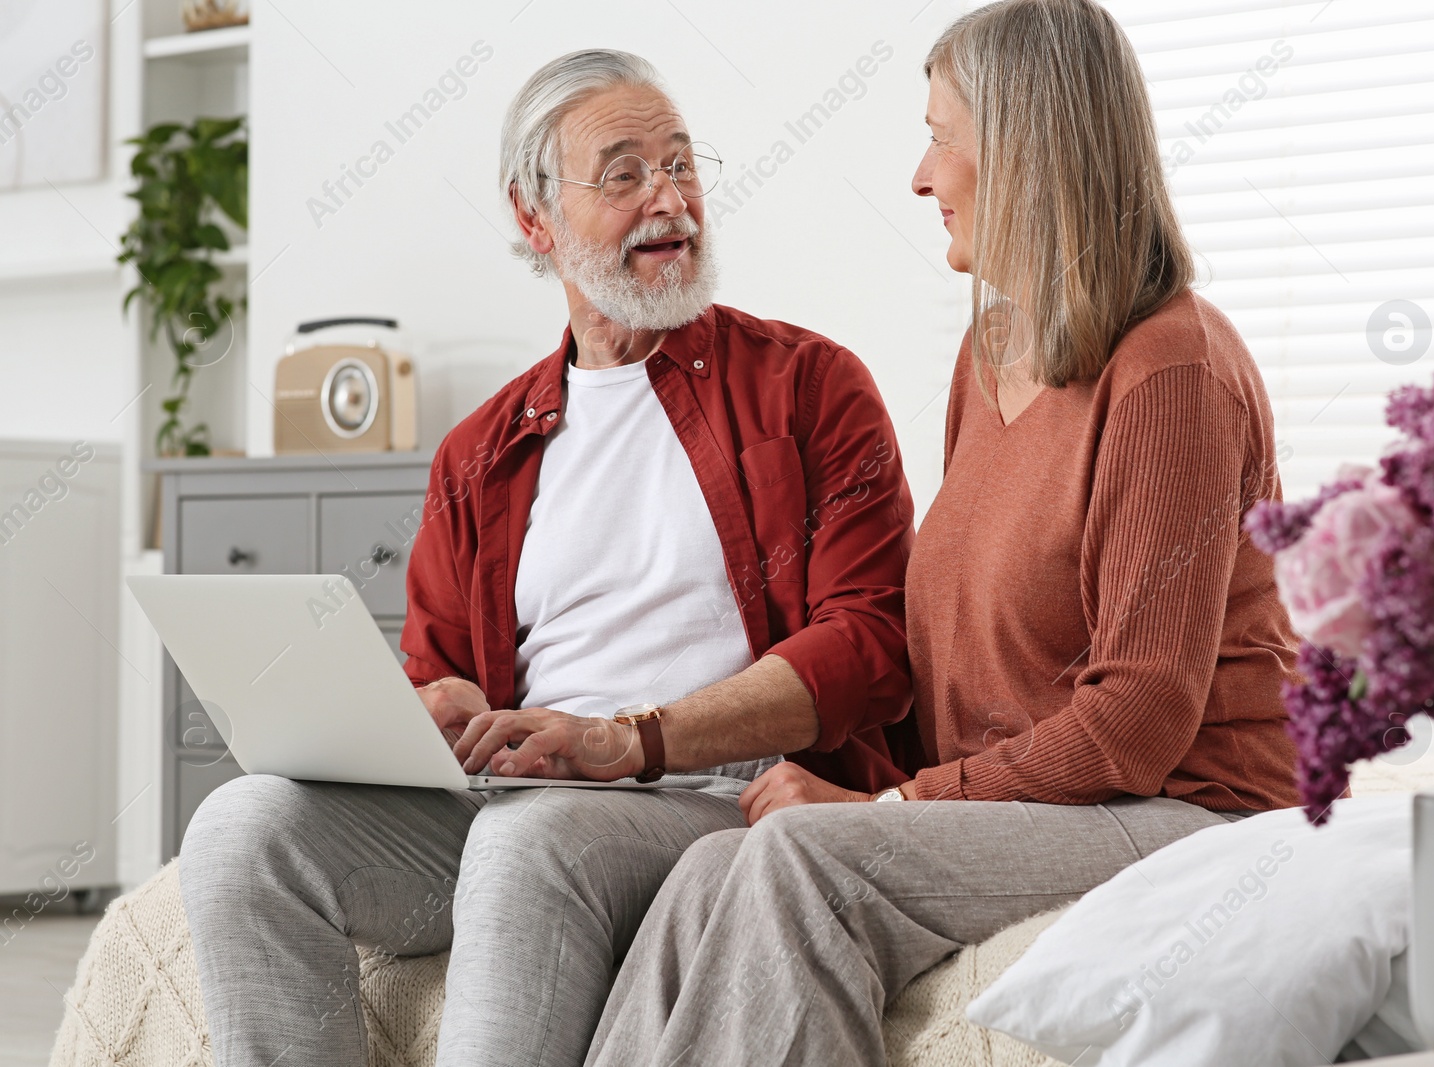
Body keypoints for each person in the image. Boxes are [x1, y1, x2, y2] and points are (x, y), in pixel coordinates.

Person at [584, 2, 1303, 1064]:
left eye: (939, 138)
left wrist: (886, 804)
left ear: (1023, 150)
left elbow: (1137, 719)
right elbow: (956, 653)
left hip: (1191, 809)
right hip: (1042, 804)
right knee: (708, 867)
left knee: (805, 863)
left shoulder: (1170, 370)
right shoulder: (992, 348)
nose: (920, 178)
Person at [177, 49, 915, 1067]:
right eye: (623, 174)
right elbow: (439, 672)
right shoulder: (479, 451)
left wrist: (624, 737)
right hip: (506, 805)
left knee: (534, 839)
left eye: (682, 164)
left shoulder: (808, 385)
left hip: (706, 800)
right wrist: (427, 712)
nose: (670, 197)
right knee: (239, 827)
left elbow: (870, 646)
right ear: (535, 219)